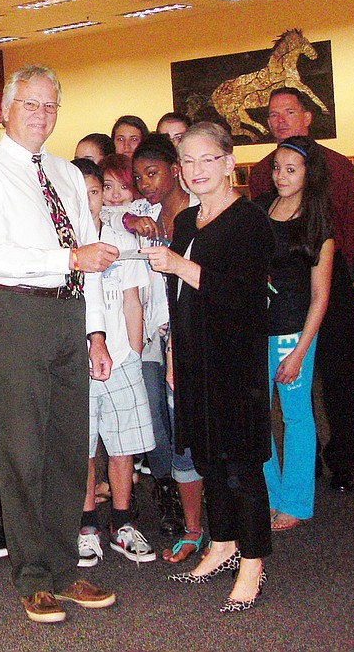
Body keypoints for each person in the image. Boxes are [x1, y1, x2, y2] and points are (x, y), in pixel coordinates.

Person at [0, 65, 118, 624]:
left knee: (69, 448)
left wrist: (95, 331)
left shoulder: (68, 174)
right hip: (14, 312)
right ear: (5, 109)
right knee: (22, 449)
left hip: (69, 313)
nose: (42, 115)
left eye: (51, 106)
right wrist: (67, 260)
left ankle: (65, 565)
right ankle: (32, 575)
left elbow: (90, 252)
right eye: (31, 104)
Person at [142, 121, 274, 612]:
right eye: (188, 162)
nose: (196, 171)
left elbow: (244, 295)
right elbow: (179, 302)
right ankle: (222, 542)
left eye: (206, 160)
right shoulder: (185, 221)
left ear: (227, 163)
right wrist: (174, 353)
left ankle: (254, 560)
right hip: (194, 357)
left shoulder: (249, 221)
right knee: (208, 456)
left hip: (234, 361)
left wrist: (180, 267)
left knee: (240, 461)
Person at [247, 87, 354, 493]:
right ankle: (306, 463)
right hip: (280, 293)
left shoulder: (337, 166)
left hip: (326, 278)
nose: (280, 120)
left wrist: (320, 264)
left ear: (308, 117)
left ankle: (343, 460)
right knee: (290, 389)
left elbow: (351, 222)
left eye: (289, 112)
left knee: (337, 373)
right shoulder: (264, 170)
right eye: (273, 114)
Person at [74, 158, 156, 567]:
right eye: (80, 192)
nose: (88, 200)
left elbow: (132, 302)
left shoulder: (121, 241)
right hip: (76, 364)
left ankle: (123, 522)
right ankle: (87, 523)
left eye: (95, 191)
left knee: (123, 446)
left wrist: (135, 356)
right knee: (83, 445)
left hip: (122, 358)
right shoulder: (61, 246)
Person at [129, 135, 204, 561]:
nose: (145, 184)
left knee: (192, 422)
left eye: (152, 173)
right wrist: (133, 222)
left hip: (192, 330)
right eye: (139, 177)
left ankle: (211, 510)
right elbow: (116, 212)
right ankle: (173, 496)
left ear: (175, 168)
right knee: (159, 419)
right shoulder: (145, 211)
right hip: (157, 329)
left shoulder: (200, 209)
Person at [255, 136, 334, 530]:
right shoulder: (260, 210)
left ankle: (297, 502)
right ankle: (269, 494)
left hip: (292, 331)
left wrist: (300, 352)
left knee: (295, 415)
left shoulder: (316, 224)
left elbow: (320, 297)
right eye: (276, 168)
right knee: (257, 415)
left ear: (308, 173)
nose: (281, 176)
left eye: (291, 169)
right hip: (256, 329)